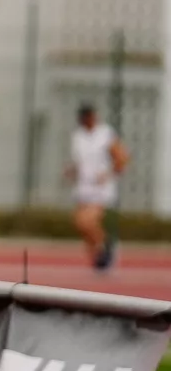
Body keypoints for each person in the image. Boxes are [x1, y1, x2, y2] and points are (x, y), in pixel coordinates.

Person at [68, 102, 127, 272]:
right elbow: (79, 162)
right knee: (80, 226)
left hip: (100, 187)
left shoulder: (105, 134)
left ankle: (106, 249)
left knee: (86, 222)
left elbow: (121, 159)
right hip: (83, 186)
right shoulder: (78, 136)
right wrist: (71, 171)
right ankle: (100, 256)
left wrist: (107, 175)